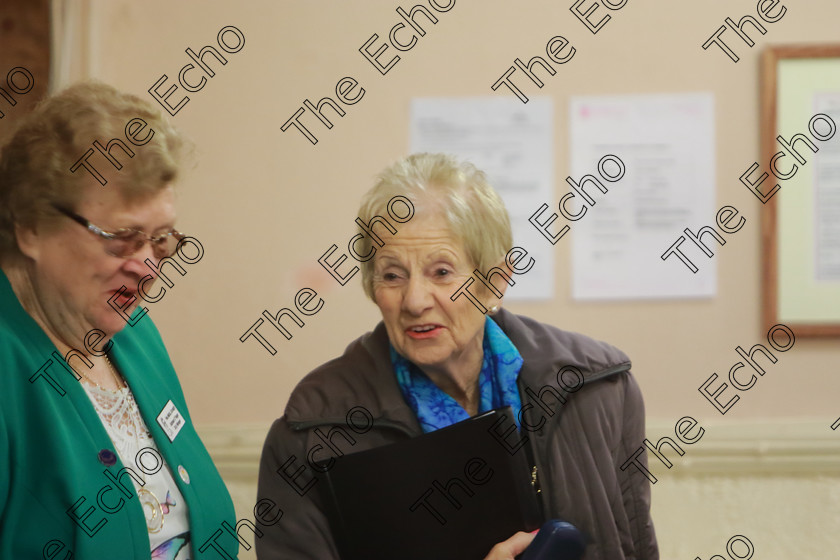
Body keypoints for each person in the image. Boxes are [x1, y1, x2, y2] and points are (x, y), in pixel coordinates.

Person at [256, 153, 658, 560]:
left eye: (442, 272)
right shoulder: (310, 432)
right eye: (392, 275)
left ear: (495, 282)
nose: (414, 301)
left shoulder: (599, 388)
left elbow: (635, 547)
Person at [0, 82, 236, 559]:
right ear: (31, 227)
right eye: (123, 239)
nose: (149, 269)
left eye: (163, 241)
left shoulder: (135, 335)